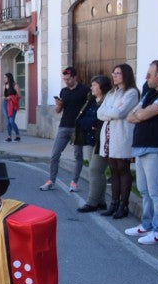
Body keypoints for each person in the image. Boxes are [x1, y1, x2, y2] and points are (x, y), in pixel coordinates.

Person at [125, 60, 158, 245]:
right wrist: (139, 114)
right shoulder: (150, 93)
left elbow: (142, 115)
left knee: (157, 191)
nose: (145, 77)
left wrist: (140, 115)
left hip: (157, 147)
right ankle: (147, 225)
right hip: (142, 146)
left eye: (149, 74)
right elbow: (130, 115)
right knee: (144, 190)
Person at [97, 64, 140, 219]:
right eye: (113, 73)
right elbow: (99, 113)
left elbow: (120, 113)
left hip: (122, 135)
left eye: (118, 73)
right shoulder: (111, 93)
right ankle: (113, 204)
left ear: (125, 75)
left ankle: (124, 205)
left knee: (123, 169)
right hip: (109, 135)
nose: (114, 76)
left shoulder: (131, 93)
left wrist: (110, 112)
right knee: (113, 170)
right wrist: (112, 112)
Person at [40, 67, 90, 191]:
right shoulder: (64, 91)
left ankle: (74, 182)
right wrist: (58, 105)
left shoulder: (84, 90)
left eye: (68, 79)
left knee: (78, 155)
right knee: (55, 154)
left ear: (74, 77)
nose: (66, 82)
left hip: (77, 127)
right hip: (64, 125)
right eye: (64, 79)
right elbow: (58, 111)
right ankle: (51, 180)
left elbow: (89, 108)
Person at [75, 75, 110, 213]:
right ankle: (101, 201)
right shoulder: (91, 100)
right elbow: (82, 119)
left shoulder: (107, 101)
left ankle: (91, 202)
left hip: (102, 139)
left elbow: (100, 120)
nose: (91, 87)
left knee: (95, 169)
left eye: (94, 84)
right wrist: (91, 124)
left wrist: (92, 123)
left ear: (102, 86)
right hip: (91, 139)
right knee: (96, 171)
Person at [3, 72, 21, 142]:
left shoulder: (15, 85)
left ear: (9, 78)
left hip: (13, 104)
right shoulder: (4, 86)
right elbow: (4, 96)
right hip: (5, 104)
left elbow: (19, 96)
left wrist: (10, 97)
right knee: (8, 121)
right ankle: (9, 136)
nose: (4, 79)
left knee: (11, 121)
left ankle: (17, 135)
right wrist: (5, 98)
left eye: (5, 77)